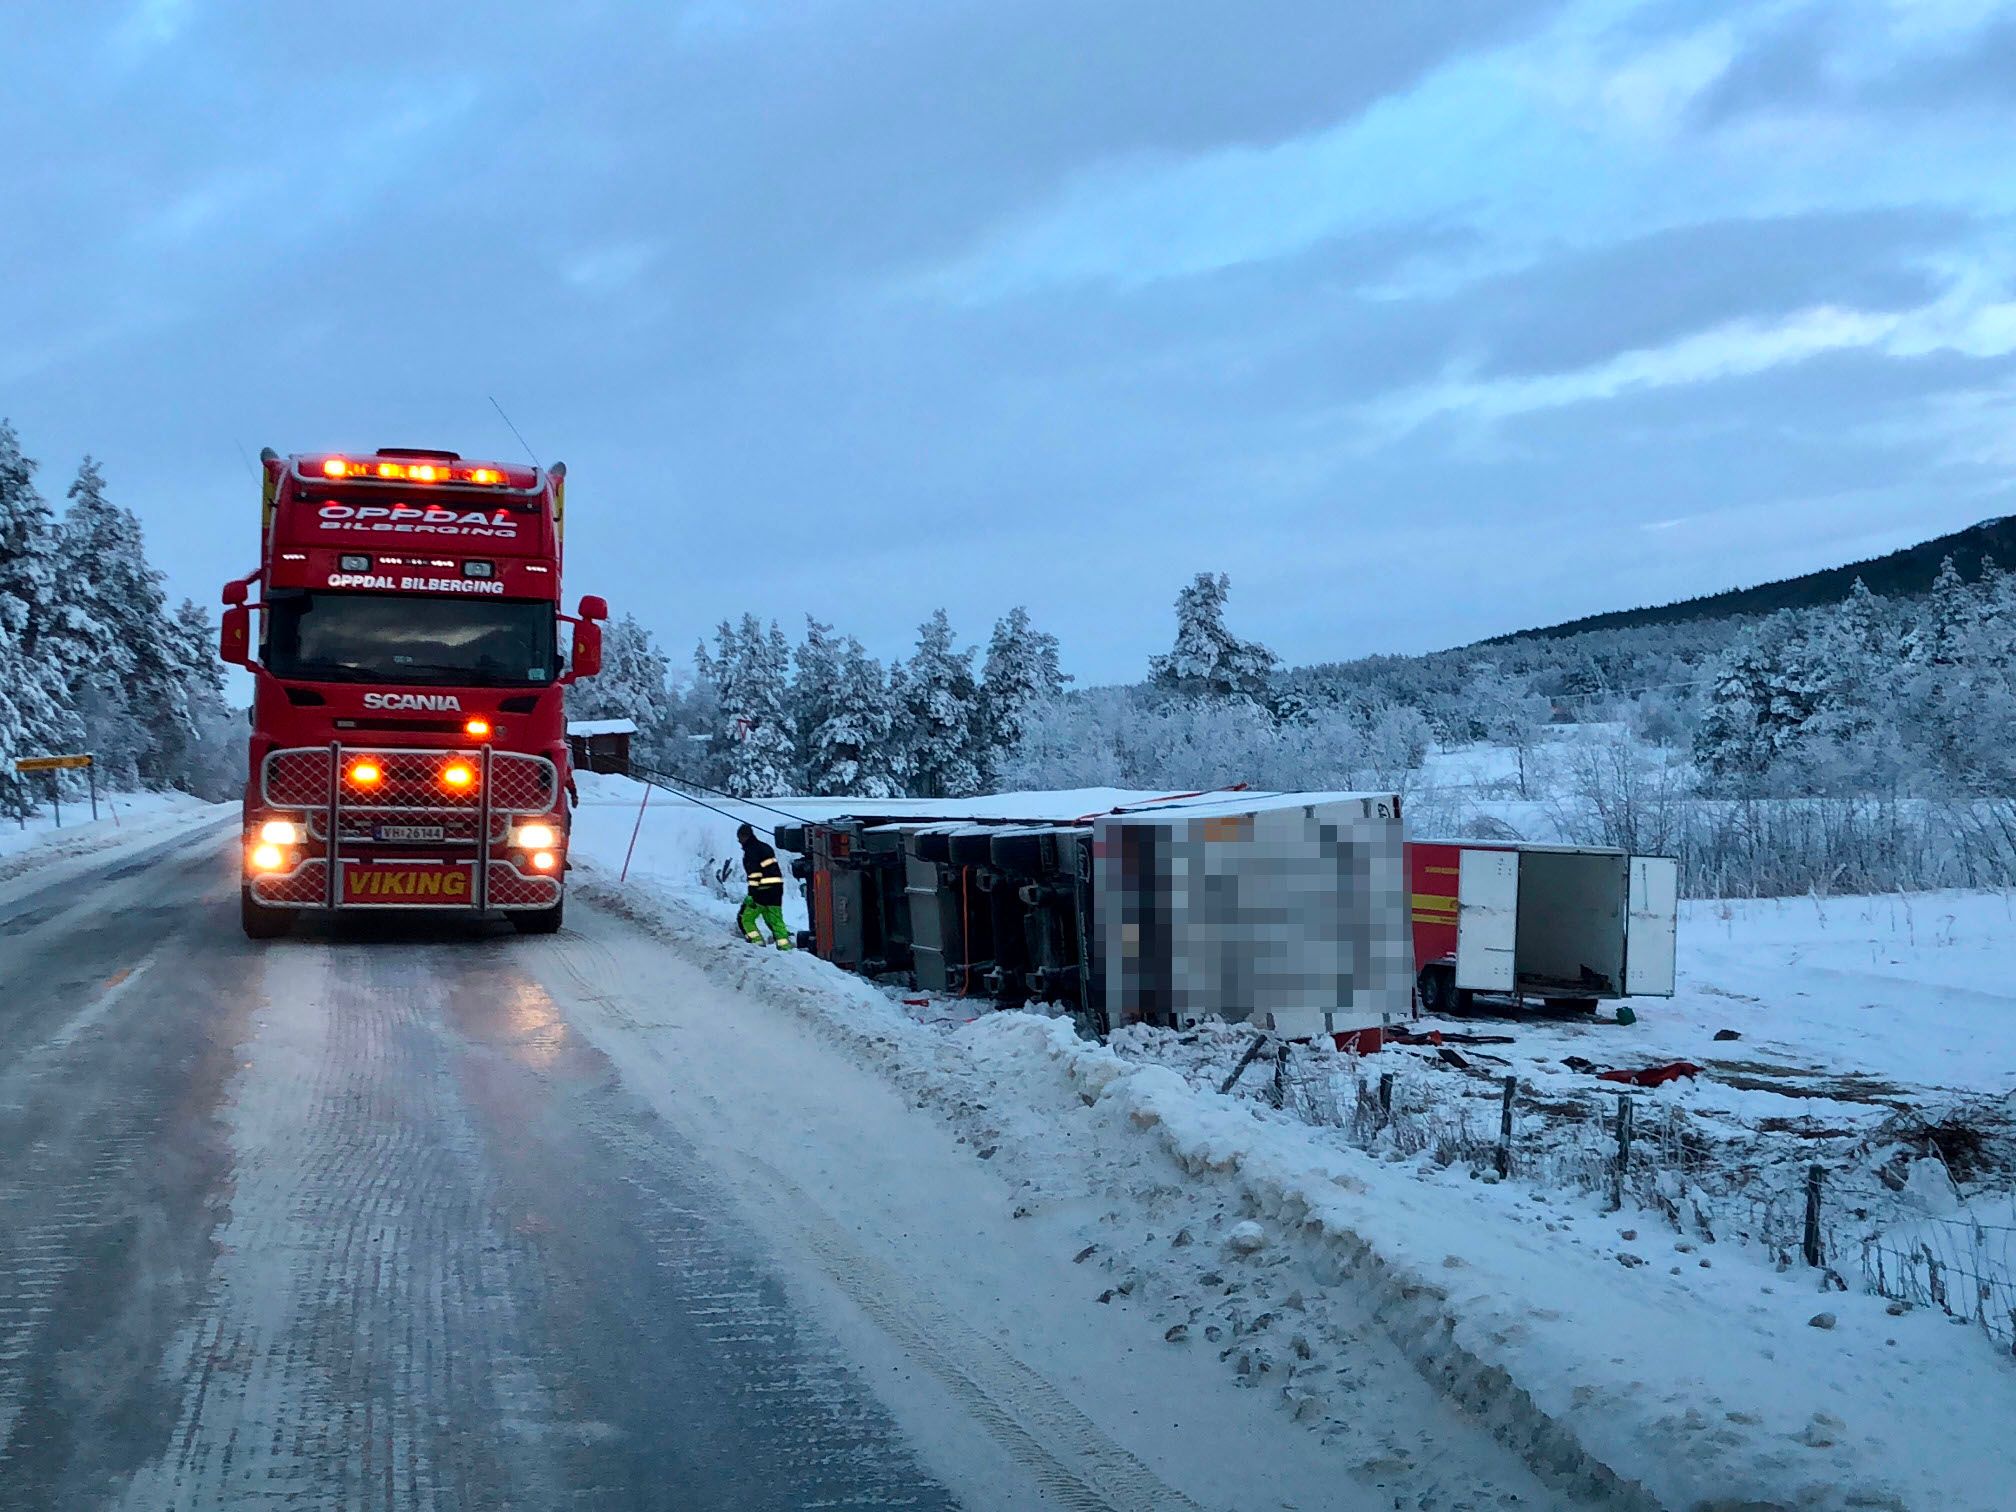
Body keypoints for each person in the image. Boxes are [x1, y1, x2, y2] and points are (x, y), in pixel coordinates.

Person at [735, 822, 793, 950]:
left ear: (745, 836)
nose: (739, 841)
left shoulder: (751, 851)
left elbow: (754, 874)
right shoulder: (765, 847)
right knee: (775, 919)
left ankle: (757, 945)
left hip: (762, 891)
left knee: (745, 918)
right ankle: (786, 947)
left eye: (739, 838)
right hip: (776, 889)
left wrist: (751, 894)